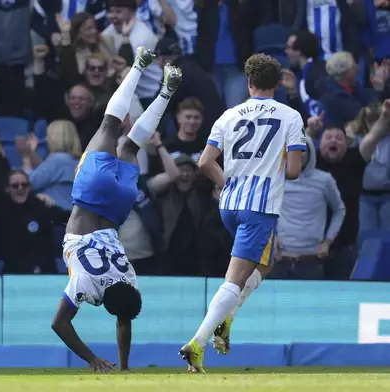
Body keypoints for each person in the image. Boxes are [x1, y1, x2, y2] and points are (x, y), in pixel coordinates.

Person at [51, 46, 182, 372]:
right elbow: (60, 324)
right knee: (119, 135)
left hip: (118, 203)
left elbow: (127, 316)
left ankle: (157, 84)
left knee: (116, 132)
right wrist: (94, 359)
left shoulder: (130, 278)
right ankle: (150, 79)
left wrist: (118, 366)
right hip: (93, 203)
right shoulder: (85, 285)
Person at [179, 54, 306, 373]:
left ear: (249, 82)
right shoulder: (290, 116)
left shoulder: (228, 115)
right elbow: (293, 171)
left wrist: (228, 184)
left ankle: (227, 318)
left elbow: (205, 162)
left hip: (230, 205)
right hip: (259, 207)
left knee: (266, 262)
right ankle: (197, 343)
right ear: (278, 84)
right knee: (235, 279)